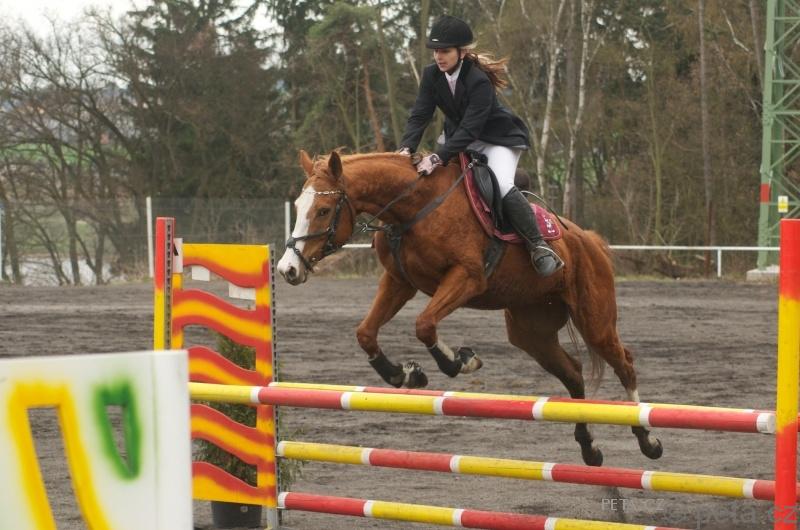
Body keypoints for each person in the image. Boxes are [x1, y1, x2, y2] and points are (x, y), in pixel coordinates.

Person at [398, 15, 562, 277]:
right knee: (440, 183)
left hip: (497, 140)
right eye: (436, 51)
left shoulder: (478, 80)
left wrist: (438, 157)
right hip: (459, 137)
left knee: (502, 185)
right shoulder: (431, 75)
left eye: (445, 51)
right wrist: (405, 148)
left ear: (462, 52)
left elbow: (471, 129)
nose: (439, 56)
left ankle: (538, 246)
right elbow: (420, 114)